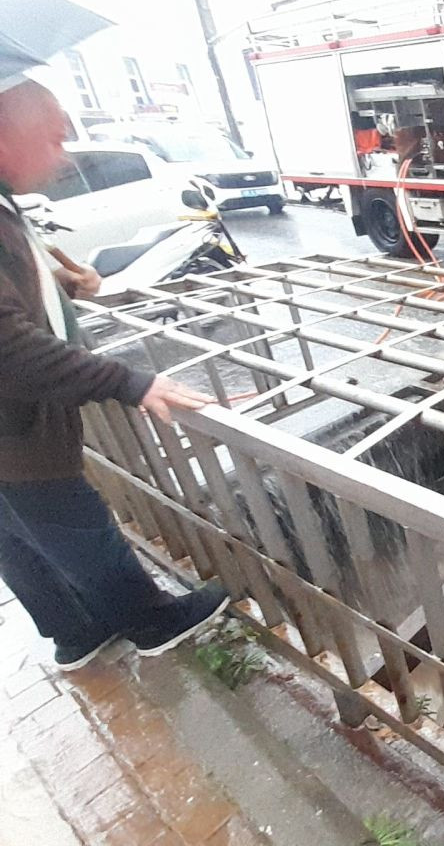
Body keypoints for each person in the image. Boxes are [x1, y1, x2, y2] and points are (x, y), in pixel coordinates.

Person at [0, 79, 225, 671]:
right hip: (15, 433)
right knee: (76, 529)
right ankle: (152, 623)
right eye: (53, 139)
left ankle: (75, 634)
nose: (65, 156)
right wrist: (131, 382)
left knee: (18, 539)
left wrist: (60, 284)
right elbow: (7, 347)